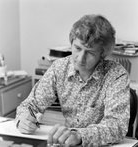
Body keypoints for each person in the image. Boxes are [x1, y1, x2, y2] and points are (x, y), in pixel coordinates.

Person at [15, 14, 130, 147]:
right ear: (71, 43)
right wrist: (23, 119)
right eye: (77, 48)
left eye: (90, 53)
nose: (80, 59)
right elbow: (29, 105)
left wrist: (79, 136)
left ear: (102, 53)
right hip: (66, 143)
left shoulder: (116, 74)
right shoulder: (59, 68)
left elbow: (117, 126)